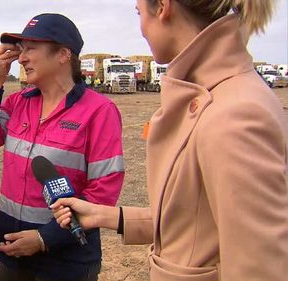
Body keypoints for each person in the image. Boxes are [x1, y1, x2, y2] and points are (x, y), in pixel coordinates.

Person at [52, 1, 288, 281]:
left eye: (139, 12)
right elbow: (196, 222)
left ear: (163, 7)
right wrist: (104, 216)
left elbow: (260, 269)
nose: (140, 29)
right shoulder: (218, 95)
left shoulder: (234, 114)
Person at [0, 13, 125, 281]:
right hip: (11, 253)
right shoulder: (18, 103)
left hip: (64, 261)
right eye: (21, 50)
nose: (21, 58)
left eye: (31, 49)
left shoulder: (99, 111)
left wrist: (43, 238)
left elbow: (103, 192)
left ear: (63, 55)